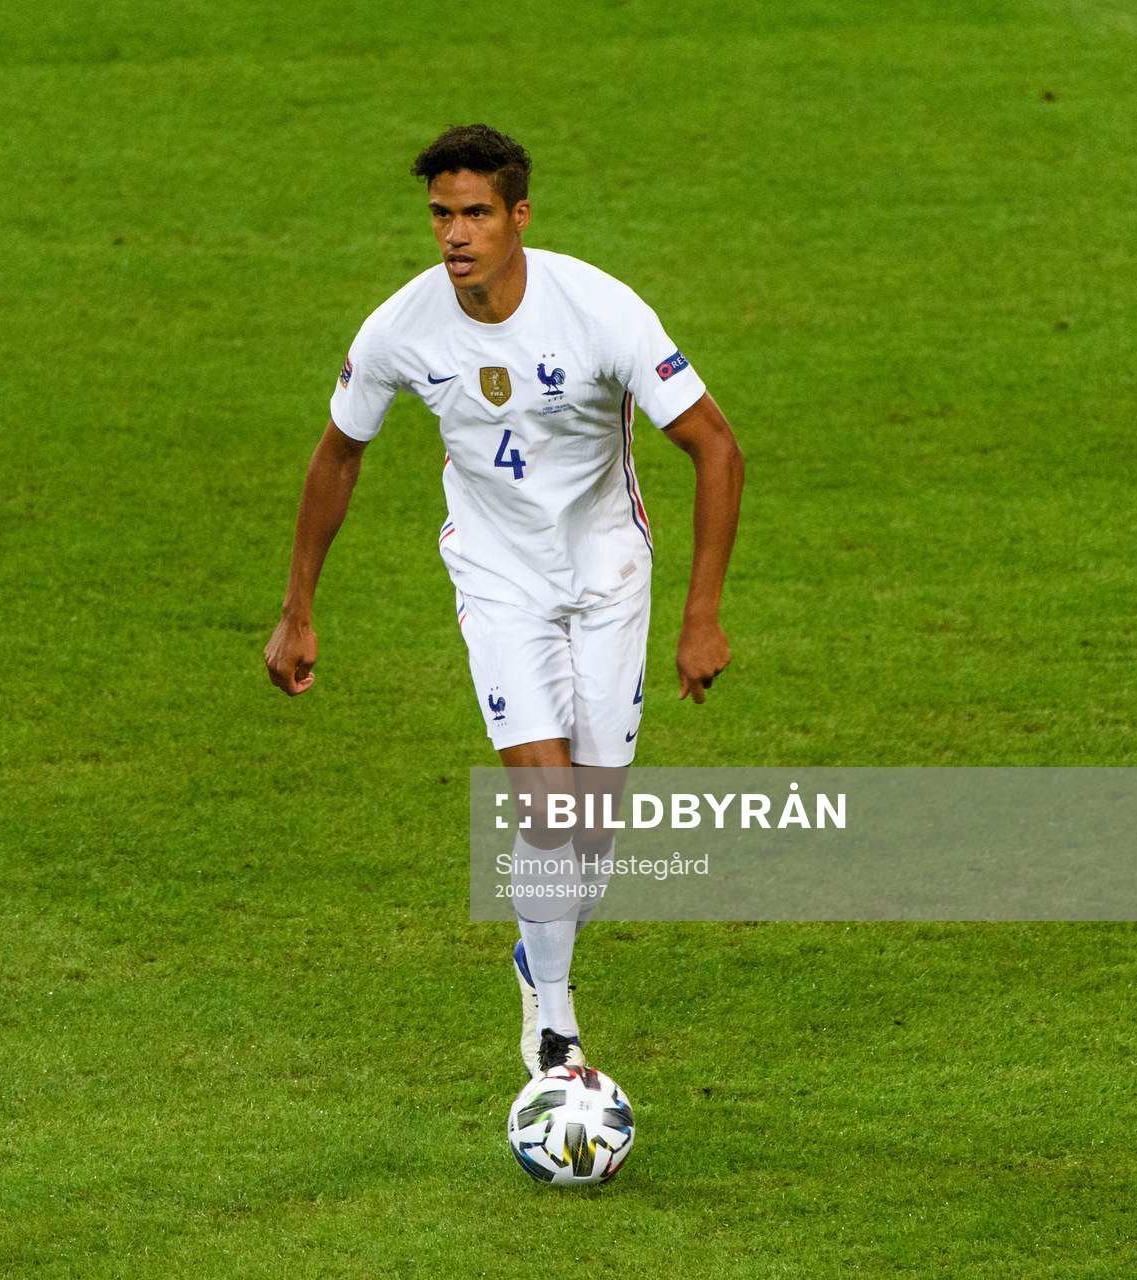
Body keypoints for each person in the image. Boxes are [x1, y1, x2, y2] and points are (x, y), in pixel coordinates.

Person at [262, 123, 745, 1078]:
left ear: (518, 217)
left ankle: (541, 947)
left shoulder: (599, 310)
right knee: (551, 813)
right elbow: (339, 453)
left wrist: (702, 616)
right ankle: (555, 1024)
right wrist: (297, 607)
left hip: (608, 572)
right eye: (441, 214)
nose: (454, 234)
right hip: (497, 575)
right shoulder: (401, 328)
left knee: (593, 839)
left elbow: (717, 448)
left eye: (475, 213)